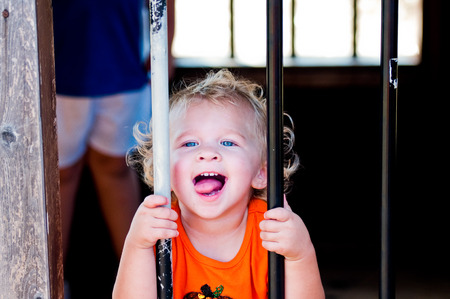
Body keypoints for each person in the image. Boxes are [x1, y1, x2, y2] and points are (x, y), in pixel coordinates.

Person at [113, 69, 325, 298]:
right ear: (163, 170)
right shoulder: (159, 229)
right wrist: (138, 245)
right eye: (190, 143)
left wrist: (300, 255)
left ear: (262, 172)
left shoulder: (270, 230)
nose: (207, 153)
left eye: (227, 142)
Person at [52, 0, 175, 265]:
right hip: (58, 64)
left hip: (124, 57)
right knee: (58, 175)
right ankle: (51, 281)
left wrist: (166, 45)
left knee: (117, 167)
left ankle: (141, 279)